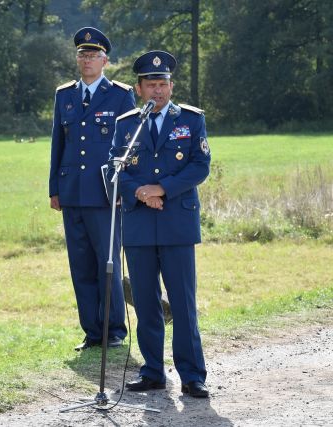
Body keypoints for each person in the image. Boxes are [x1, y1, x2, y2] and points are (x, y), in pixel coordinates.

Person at [108, 50, 211, 398]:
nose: (158, 90)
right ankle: (152, 371)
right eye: (151, 84)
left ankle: (192, 375)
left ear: (171, 86)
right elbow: (114, 168)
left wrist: (162, 189)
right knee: (146, 303)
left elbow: (199, 166)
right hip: (139, 224)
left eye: (163, 84)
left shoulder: (191, 120)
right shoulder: (127, 124)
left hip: (176, 223)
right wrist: (141, 192)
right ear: (139, 89)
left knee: (182, 302)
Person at [49, 27, 135, 351]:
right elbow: (57, 144)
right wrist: (54, 189)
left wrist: (124, 188)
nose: (87, 60)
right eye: (82, 55)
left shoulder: (120, 95)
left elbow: (129, 146)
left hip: (105, 194)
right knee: (81, 265)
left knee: (107, 263)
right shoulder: (64, 95)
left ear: (105, 61)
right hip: (72, 193)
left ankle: (113, 330)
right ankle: (92, 331)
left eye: (93, 55)